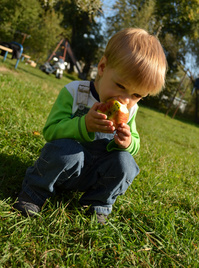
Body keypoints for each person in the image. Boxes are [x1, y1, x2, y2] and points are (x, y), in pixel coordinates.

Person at [14, 28, 167, 224]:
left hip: (96, 173)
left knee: (126, 163)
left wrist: (127, 142)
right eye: (121, 86)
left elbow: (135, 143)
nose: (126, 100)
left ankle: (97, 204)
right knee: (65, 150)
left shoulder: (130, 110)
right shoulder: (75, 93)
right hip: (66, 166)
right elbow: (50, 131)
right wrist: (83, 124)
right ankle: (34, 192)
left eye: (137, 96)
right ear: (102, 67)